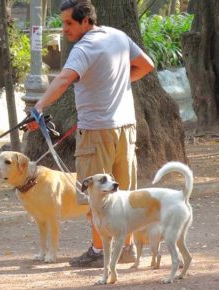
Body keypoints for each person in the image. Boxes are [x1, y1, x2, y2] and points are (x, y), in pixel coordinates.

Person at [31, 0, 155, 267]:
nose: (64, 29)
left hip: (96, 131)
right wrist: (117, 82)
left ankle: (99, 252)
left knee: (94, 193)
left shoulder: (83, 48)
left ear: (85, 21)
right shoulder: (119, 36)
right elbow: (146, 65)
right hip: (126, 127)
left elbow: (63, 79)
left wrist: (39, 106)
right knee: (124, 193)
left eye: (69, 23)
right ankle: (126, 249)